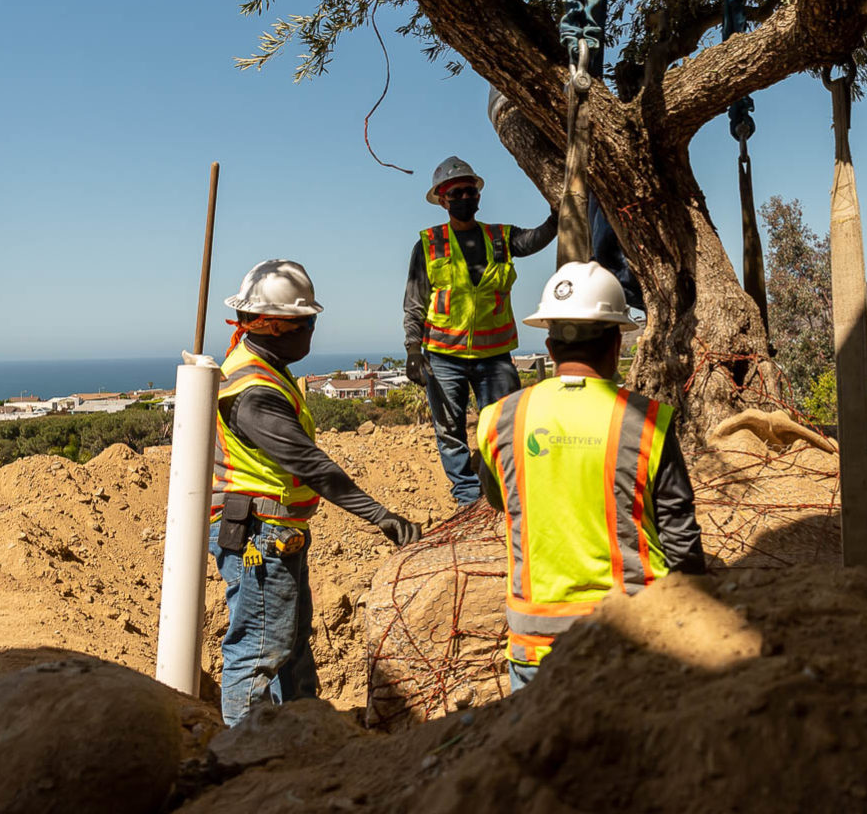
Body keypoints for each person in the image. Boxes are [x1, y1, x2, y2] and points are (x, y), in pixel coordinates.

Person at [475, 261, 705, 691]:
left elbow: (498, 498)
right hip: (633, 640)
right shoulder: (648, 422)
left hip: (535, 647)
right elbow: (682, 543)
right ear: (617, 341)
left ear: (549, 344)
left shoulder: (499, 419)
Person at [211, 259, 422, 727]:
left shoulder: (266, 365)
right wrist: (382, 516)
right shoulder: (254, 390)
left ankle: (299, 732)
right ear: (279, 326)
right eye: (308, 322)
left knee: (289, 644)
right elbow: (312, 466)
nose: (311, 331)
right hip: (259, 532)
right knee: (260, 648)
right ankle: (245, 750)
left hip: (272, 528)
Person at [402, 155, 557, 504]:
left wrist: (556, 217)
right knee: (450, 432)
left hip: (495, 357)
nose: (465, 197)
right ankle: (468, 498)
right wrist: (413, 350)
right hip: (443, 357)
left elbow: (534, 240)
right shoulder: (429, 245)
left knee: (503, 426)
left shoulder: (500, 238)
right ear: (443, 200)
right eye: (456, 193)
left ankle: (502, 491)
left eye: (470, 191)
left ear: (478, 196)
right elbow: (415, 302)